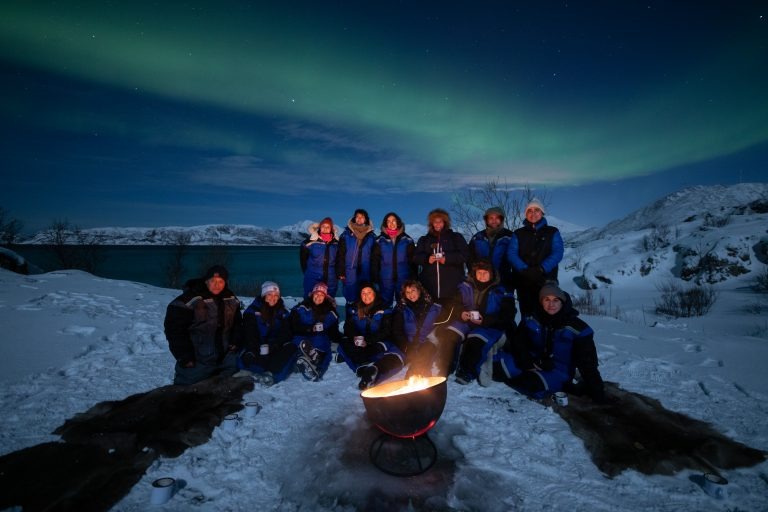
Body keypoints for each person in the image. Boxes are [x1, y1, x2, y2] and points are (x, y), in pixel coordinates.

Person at [493, 283, 605, 401]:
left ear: (562, 302)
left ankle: (562, 386)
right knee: (496, 368)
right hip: (532, 361)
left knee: (526, 384)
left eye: (555, 300)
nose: (551, 304)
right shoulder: (532, 318)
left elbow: (588, 364)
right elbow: (519, 342)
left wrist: (597, 392)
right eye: (547, 299)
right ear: (541, 302)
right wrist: (528, 362)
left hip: (558, 371)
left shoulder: (578, 329)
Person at [440, 259, 517, 384]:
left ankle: (467, 371)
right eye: (479, 272)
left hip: (489, 325)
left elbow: (508, 314)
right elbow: (453, 303)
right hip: (466, 321)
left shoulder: (501, 291)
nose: (481, 276)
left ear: (491, 274)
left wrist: (485, 320)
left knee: (476, 339)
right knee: (450, 334)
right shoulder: (465, 286)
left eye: (485, 273)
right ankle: (445, 367)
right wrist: (461, 313)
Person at [164, 265, 242, 385]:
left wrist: (235, 342)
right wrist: (185, 357)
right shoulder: (188, 300)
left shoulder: (230, 298)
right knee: (186, 394)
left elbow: (237, 324)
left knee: (225, 392)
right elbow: (175, 331)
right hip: (198, 360)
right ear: (206, 281)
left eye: (220, 281)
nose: (217, 285)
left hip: (226, 359)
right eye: (213, 281)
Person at [337, 282, 404, 389]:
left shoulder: (384, 309)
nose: (366, 295)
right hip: (361, 342)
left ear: (375, 294)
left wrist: (367, 341)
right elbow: (348, 327)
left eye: (369, 292)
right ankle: (364, 368)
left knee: (392, 356)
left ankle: (371, 371)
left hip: (378, 342)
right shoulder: (355, 308)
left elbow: (386, 331)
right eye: (363, 293)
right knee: (344, 343)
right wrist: (354, 336)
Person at [507, 199, 564, 317]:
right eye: (530, 211)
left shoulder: (552, 232)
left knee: (547, 312)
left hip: (546, 279)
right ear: (526, 214)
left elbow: (558, 252)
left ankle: (546, 335)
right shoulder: (518, 233)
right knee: (527, 312)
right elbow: (511, 253)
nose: (533, 213)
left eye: (537, 210)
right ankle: (527, 334)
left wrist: (541, 269)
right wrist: (524, 269)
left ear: (542, 213)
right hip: (523, 279)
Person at [237, 281, 296, 385]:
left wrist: (275, 345)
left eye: (276, 295)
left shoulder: (283, 312)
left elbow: (286, 332)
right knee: (249, 357)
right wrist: (255, 347)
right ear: (264, 295)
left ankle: (271, 374)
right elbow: (249, 332)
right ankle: (252, 371)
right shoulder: (252, 311)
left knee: (290, 348)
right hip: (255, 345)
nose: (273, 297)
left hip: (273, 345)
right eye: (269, 294)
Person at [413, 208, 469, 306]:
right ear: (431, 224)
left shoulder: (456, 237)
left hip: (452, 288)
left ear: (445, 223)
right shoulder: (424, 240)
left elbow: (465, 255)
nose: (438, 224)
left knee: (451, 317)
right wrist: (427, 259)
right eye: (435, 222)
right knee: (432, 317)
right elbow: (416, 257)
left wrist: (447, 259)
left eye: (440, 222)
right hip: (429, 288)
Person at [289, 282, 343, 381]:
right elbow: (293, 325)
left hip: (320, 339)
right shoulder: (302, 308)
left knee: (325, 348)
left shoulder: (330, 312)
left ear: (325, 297)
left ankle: (316, 368)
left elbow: (333, 332)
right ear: (312, 294)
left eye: (322, 295)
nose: (319, 297)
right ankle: (306, 358)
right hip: (303, 336)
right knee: (298, 342)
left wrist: (344, 339)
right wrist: (309, 329)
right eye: (317, 294)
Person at [392, 280, 444, 377]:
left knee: (426, 351)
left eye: (413, 291)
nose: (411, 294)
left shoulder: (433, 306)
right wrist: (405, 345)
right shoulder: (401, 309)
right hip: (411, 343)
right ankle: (416, 376)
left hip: (429, 340)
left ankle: (413, 374)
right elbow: (396, 330)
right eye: (407, 292)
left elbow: (443, 323)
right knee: (417, 355)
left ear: (419, 291)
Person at [371, 212, 416, 307]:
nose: (391, 223)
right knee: (385, 304)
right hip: (385, 279)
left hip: (403, 279)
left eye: (393, 221)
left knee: (404, 304)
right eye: (388, 221)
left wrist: (413, 277)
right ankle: (386, 320)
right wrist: (375, 276)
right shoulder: (379, 240)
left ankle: (402, 321)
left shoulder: (407, 240)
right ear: (385, 224)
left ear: (398, 222)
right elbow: (375, 260)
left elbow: (412, 261)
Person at [337, 209, 376, 308]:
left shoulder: (372, 236)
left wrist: (374, 272)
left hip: (366, 270)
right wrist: (341, 271)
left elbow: (375, 257)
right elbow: (340, 254)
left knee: (365, 295)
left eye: (362, 217)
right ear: (354, 218)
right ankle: (351, 316)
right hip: (349, 269)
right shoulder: (345, 235)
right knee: (350, 295)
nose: (359, 219)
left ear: (366, 219)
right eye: (357, 216)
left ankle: (364, 319)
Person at [468, 206, 514, 287]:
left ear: (502, 219)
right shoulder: (478, 237)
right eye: (491, 218)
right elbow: (469, 257)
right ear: (486, 220)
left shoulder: (510, 237)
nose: (494, 221)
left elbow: (515, 258)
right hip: (481, 280)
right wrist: (474, 273)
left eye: (497, 218)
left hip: (503, 281)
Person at [300, 217, 340, 298]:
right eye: (323, 226)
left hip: (331, 278)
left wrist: (338, 274)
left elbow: (339, 260)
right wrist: (308, 272)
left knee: (329, 300)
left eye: (328, 227)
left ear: (331, 229)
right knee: (310, 299)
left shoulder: (337, 243)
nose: (325, 228)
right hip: (312, 277)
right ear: (319, 228)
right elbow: (303, 259)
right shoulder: (309, 242)